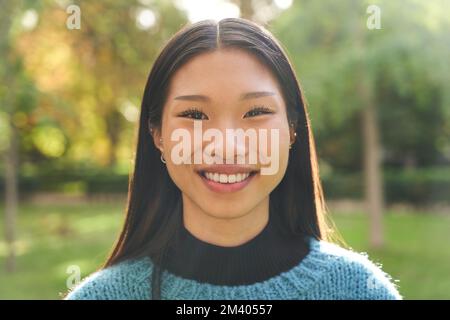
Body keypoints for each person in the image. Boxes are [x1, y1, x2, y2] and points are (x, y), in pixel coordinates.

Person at [65, 18, 401, 300]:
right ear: (158, 135)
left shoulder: (361, 291)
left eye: (256, 111)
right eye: (195, 114)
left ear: (292, 128)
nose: (226, 145)